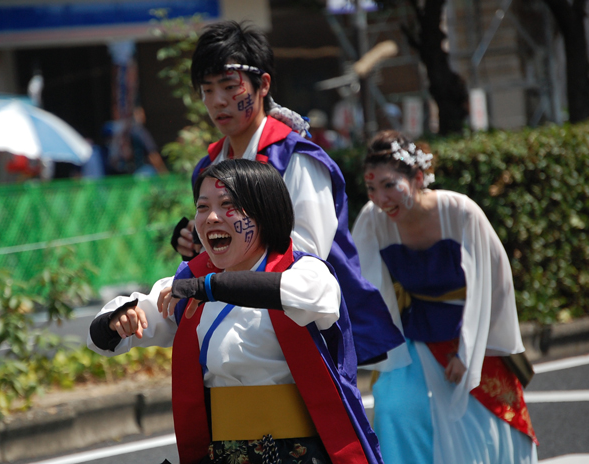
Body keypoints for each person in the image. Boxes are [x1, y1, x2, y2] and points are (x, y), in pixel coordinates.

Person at [89, 159, 384, 464]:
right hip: (225, 455)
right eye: (202, 207)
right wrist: (117, 321)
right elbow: (105, 337)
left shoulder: (306, 271)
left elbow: (308, 296)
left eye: (227, 204)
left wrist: (209, 287)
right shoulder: (189, 283)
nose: (211, 217)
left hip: (300, 454)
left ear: (265, 211)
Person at [170, 20, 403, 366]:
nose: (217, 101)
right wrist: (197, 243)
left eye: (229, 86)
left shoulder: (296, 158)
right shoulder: (209, 166)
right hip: (235, 330)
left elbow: (307, 253)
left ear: (263, 84)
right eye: (206, 90)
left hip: (303, 330)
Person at [351, 130, 538, 464]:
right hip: (414, 328)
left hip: (475, 329)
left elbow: (492, 288)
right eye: (371, 188)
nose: (380, 198)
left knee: (474, 423)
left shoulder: (460, 212)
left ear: (419, 178)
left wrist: (468, 353)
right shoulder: (372, 220)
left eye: (390, 185)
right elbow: (364, 288)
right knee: (395, 407)